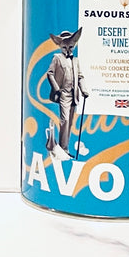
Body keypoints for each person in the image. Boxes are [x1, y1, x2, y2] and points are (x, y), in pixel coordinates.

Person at [45, 29, 89, 160]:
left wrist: (84, 90)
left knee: (69, 123)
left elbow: (80, 76)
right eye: (65, 47)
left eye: (70, 46)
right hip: (63, 93)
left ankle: (65, 148)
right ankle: (62, 149)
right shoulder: (57, 58)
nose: (68, 50)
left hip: (73, 94)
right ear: (60, 46)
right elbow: (50, 73)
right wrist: (57, 89)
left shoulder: (75, 60)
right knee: (65, 120)